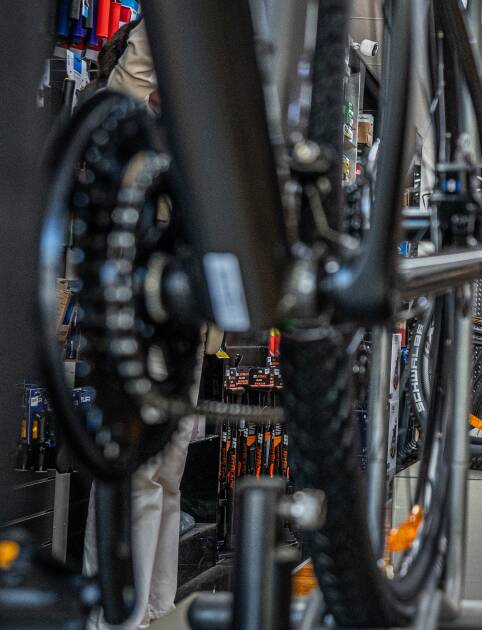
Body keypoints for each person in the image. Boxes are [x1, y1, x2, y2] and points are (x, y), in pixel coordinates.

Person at [81, 20, 198, 629]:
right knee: (136, 463)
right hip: (134, 292)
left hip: (180, 303)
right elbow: (134, 96)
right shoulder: (135, 98)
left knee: (167, 466)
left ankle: (153, 606)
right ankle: (118, 615)